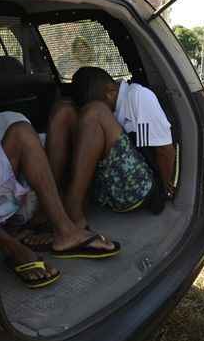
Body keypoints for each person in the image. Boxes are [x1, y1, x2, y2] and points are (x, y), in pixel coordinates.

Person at [0, 111, 120, 288]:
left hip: (26, 209)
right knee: (21, 132)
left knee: (63, 112)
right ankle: (36, 240)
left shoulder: (38, 148)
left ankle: (52, 224)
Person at [46, 67, 176, 228]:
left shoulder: (138, 97)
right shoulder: (106, 101)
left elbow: (164, 151)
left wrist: (162, 192)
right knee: (63, 111)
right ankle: (50, 204)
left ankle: (73, 210)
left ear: (110, 91)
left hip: (139, 187)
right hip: (105, 185)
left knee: (96, 112)